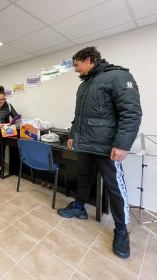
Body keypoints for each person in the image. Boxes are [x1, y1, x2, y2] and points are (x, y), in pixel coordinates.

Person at [57, 47, 142, 259]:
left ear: (89, 60)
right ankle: (79, 207)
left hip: (106, 147)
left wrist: (122, 144)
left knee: (115, 188)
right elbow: (79, 115)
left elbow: (131, 113)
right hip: (85, 144)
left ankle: (121, 230)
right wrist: (72, 134)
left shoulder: (119, 76)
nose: (75, 70)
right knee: (83, 177)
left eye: (77, 65)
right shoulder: (85, 85)